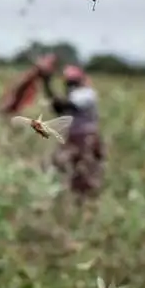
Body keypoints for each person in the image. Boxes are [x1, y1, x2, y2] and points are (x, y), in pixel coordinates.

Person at [40, 65, 105, 197]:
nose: (69, 85)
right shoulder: (74, 95)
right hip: (73, 137)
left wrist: (48, 84)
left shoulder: (87, 94)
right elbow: (59, 109)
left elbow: (66, 105)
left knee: (85, 173)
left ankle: (85, 202)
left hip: (86, 139)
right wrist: (46, 83)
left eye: (71, 82)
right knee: (62, 166)